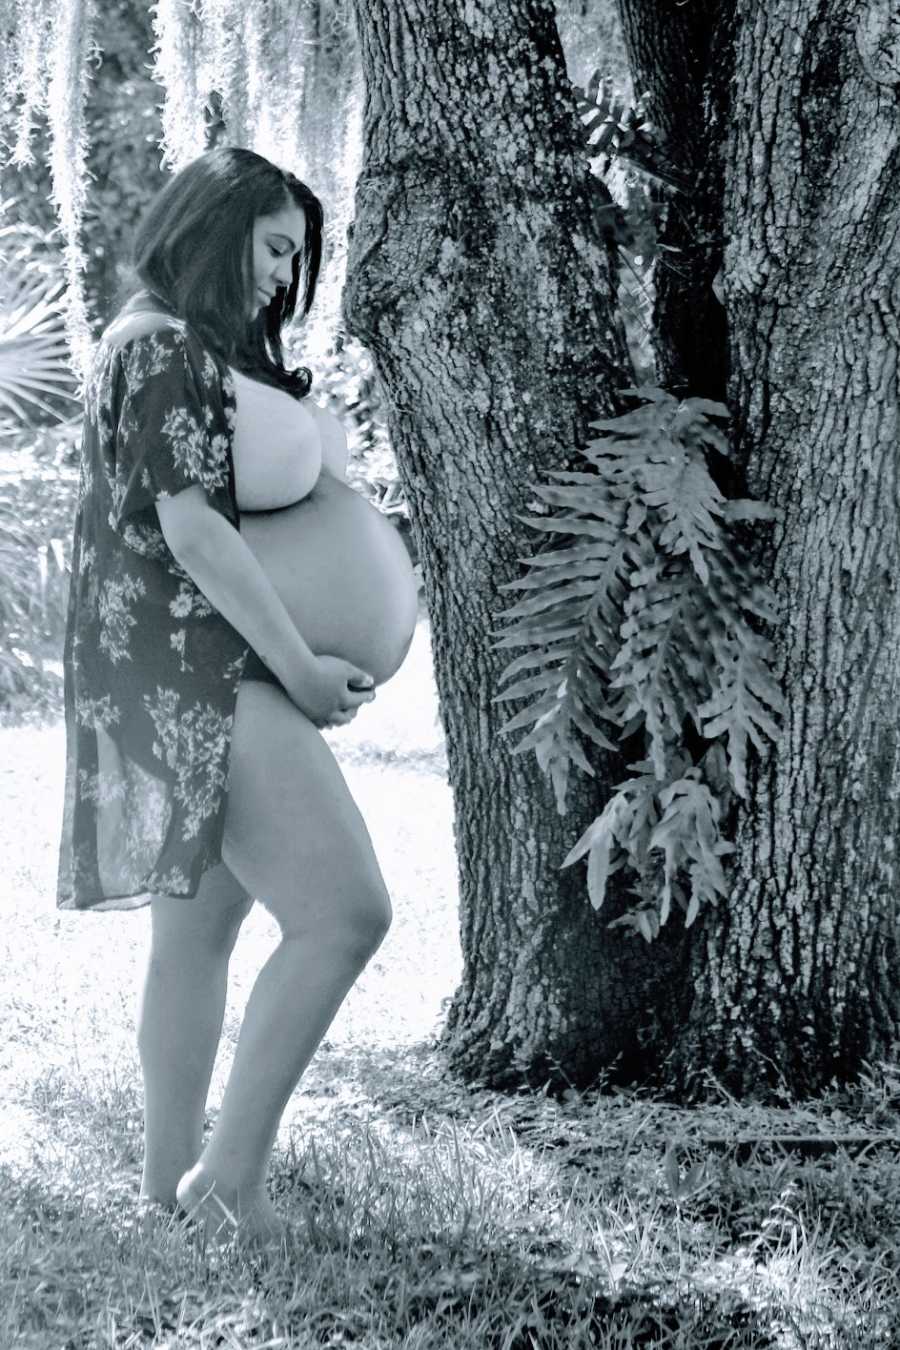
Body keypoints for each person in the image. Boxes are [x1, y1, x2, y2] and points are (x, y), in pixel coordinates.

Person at [55, 145, 395, 1248]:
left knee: (199, 933)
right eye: (276, 247)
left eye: (299, 258)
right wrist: (299, 666)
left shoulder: (160, 343)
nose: (284, 279)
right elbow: (195, 533)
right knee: (345, 914)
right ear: (219, 225)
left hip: (173, 669)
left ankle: (166, 1191)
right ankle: (225, 1186)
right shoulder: (162, 351)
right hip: (201, 672)